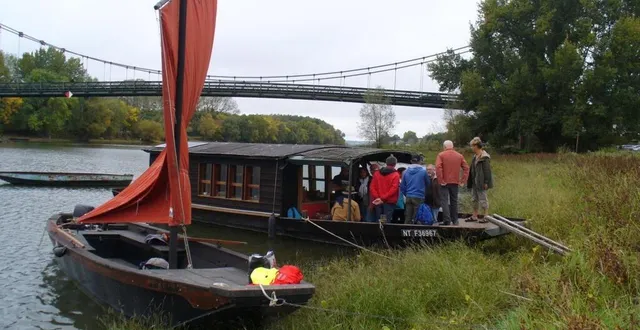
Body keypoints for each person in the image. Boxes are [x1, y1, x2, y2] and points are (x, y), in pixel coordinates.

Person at [436, 140, 470, 225]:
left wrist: (441, 180)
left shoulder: (441, 155)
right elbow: (466, 168)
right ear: (452, 147)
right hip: (455, 182)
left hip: (444, 182)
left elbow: (438, 167)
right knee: (454, 201)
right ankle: (455, 220)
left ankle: (447, 220)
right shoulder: (459, 156)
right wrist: (463, 181)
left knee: (444, 201)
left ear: (444, 147)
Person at [465, 137, 493, 223]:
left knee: (483, 199)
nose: (471, 148)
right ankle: (474, 216)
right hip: (474, 182)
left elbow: (487, 171)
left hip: (481, 182)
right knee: (474, 199)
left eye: (472, 146)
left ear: (477, 146)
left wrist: (486, 182)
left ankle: (486, 216)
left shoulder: (484, 157)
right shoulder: (475, 156)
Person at [400, 155, 430, 224]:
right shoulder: (423, 171)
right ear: (420, 161)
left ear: (411, 161)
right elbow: (428, 184)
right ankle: (416, 232)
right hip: (419, 196)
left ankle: (405, 232)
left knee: (408, 217)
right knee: (418, 217)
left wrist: (407, 193)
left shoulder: (405, 172)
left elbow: (402, 187)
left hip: (409, 196)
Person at [370, 155, 400, 222]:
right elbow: (394, 189)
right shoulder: (396, 175)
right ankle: (385, 232)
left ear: (386, 163)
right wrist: (382, 198)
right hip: (389, 201)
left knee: (379, 220)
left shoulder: (377, 173)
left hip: (378, 201)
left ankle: (378, 232)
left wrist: (378, 197)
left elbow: (372, 187)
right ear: (395, 164)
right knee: (386, 221)